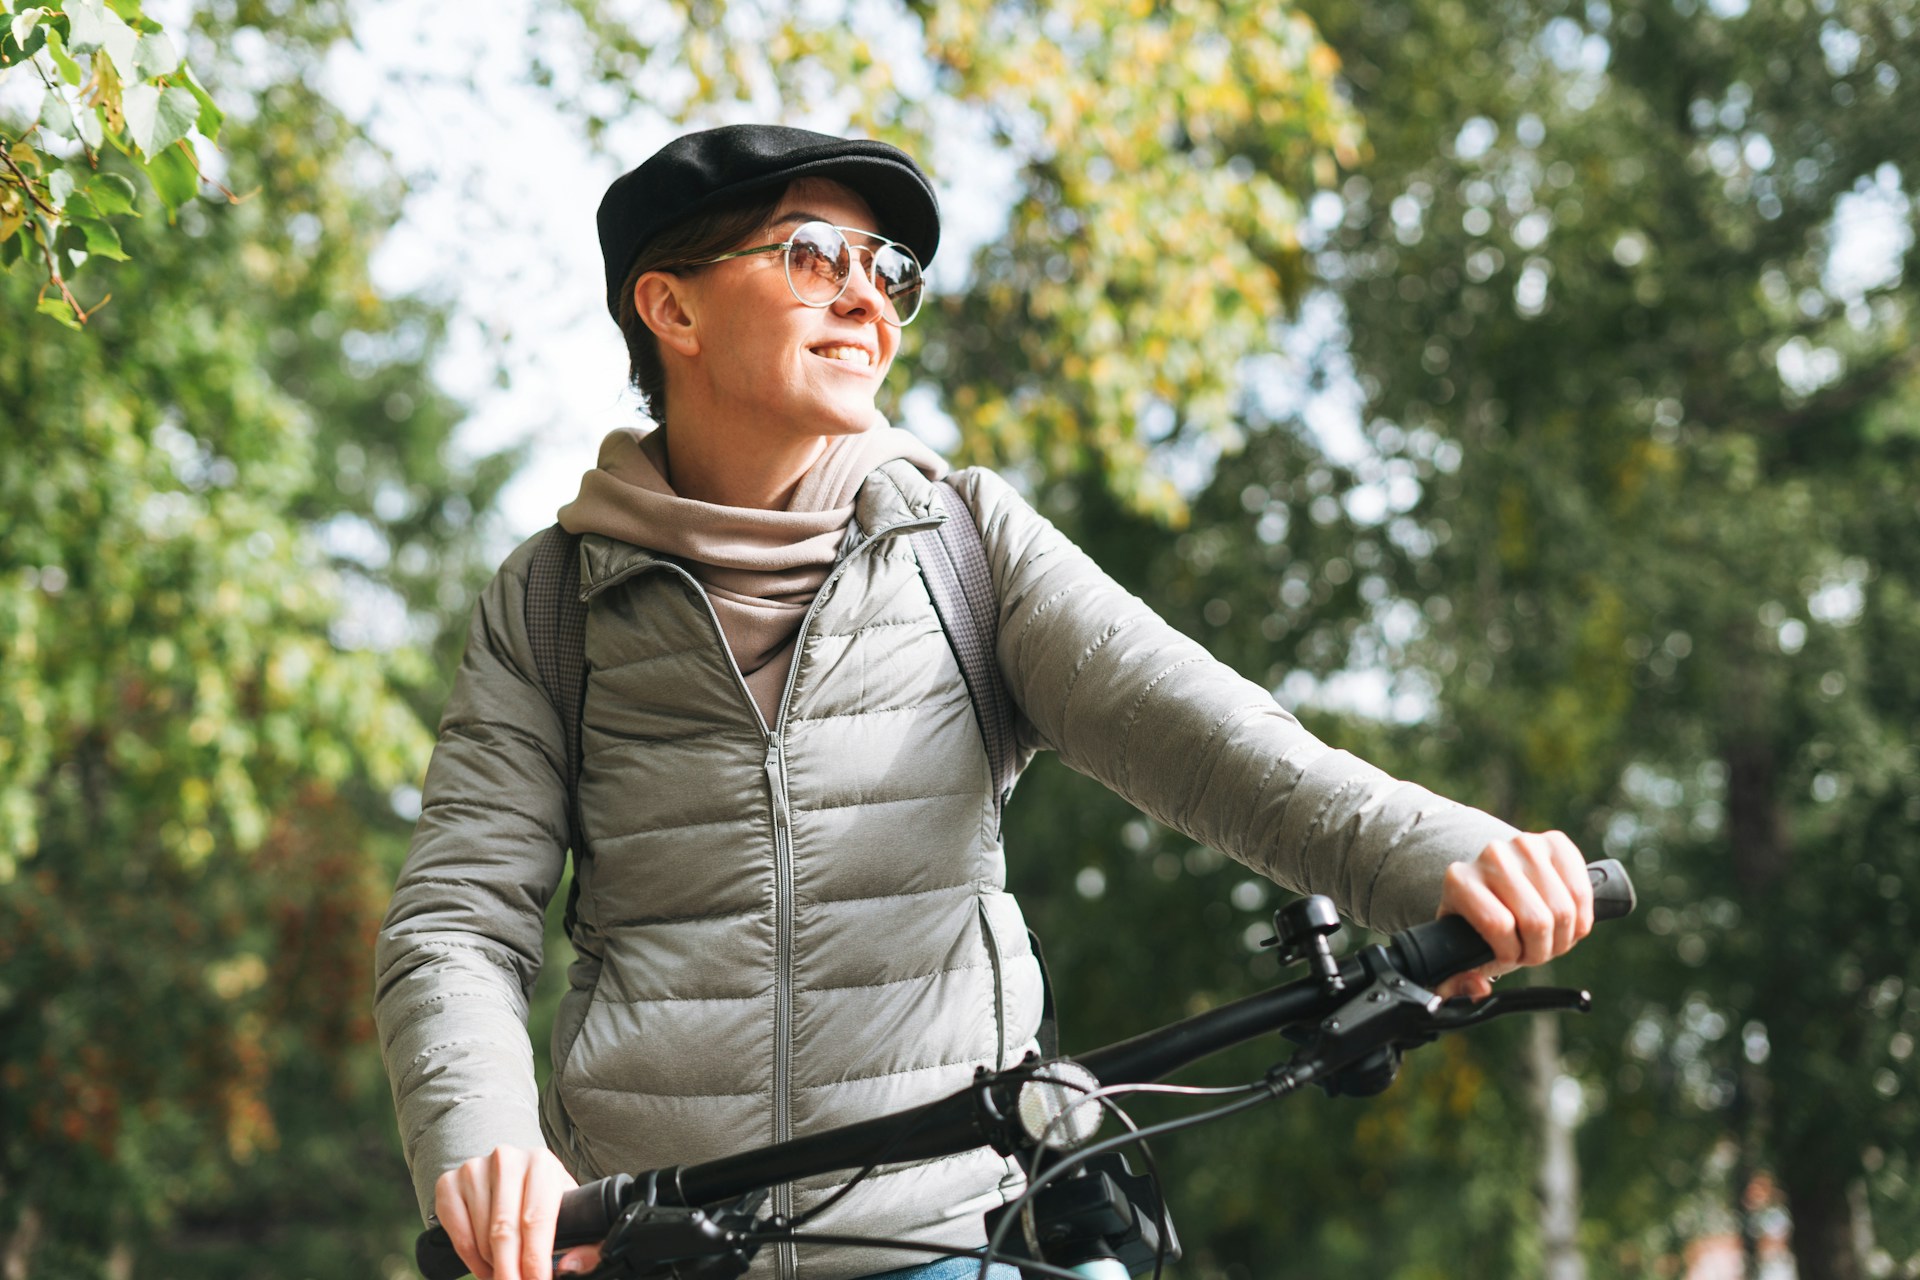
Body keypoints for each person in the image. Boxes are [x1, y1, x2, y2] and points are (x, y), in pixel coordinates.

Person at [374, 124, 1597, 1280]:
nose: (867, 296)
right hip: (659, 1239)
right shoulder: (552, 603)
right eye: (812, 256)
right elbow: (457, 922)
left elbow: (1216, 740)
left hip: (958, 1235)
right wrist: (487, 1148)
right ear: (671, 305)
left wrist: (1447, 857)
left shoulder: (962, 543)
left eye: (886, 269)